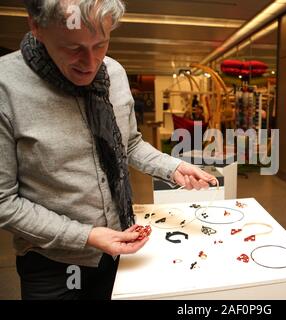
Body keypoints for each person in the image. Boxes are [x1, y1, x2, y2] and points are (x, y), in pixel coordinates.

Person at [0, 0, 216, 300]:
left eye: (100, 44)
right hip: (54, 265)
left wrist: (173, 167)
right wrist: (87, 236)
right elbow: (4, 202)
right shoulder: (5, 86)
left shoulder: (113, 72)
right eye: (72, 47)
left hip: (119, 251)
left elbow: (129, 144)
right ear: (36, 26)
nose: (90, 63)